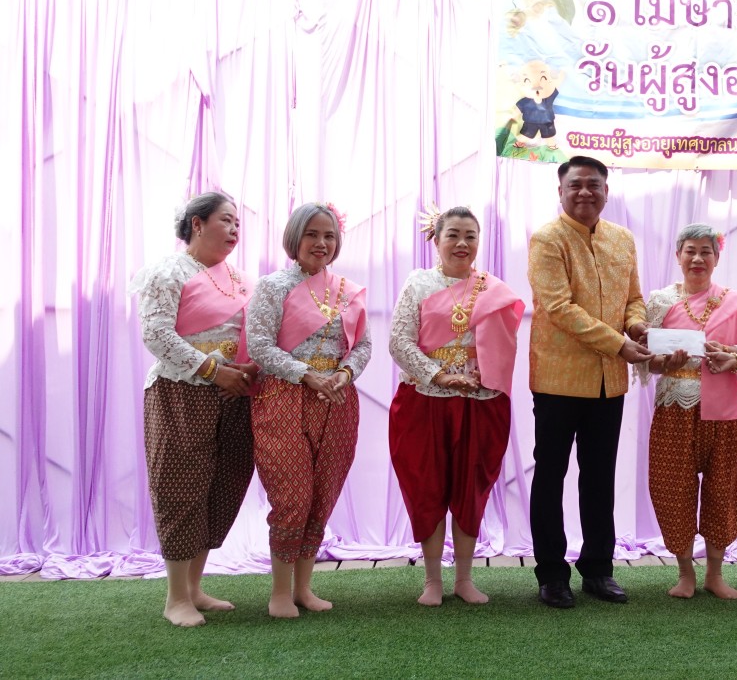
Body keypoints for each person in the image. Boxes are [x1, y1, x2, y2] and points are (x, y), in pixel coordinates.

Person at [527, 156, 653, 609]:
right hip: (558, 378)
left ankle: (598, 569)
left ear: (606, 190)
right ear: (560, 191)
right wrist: (619, 343)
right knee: (550, 476)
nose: (585, 192)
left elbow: (634, 298)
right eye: (576, 184)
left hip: (608, 383)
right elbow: (559, 308)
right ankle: (551, 574)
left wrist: (636, 325)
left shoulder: (622, 238)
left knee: (600, 477)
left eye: (593, 184)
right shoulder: (547, 239)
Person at [131, 191, 259, 627]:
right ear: (197, 224)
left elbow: (252, 335)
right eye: (226, 220)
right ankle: (175, 598)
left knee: (221, 487)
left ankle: (195, 588)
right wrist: (212, 370)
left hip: (233, 395)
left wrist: (245, 370)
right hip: (180, 392)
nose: (235, 229)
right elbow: (156, 334)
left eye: (238, 223)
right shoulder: (168, 271)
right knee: (180, 488)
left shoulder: (241, 280)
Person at [388, 206, 526, 606]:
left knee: (471, 487)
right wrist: (439, 375)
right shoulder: (418, 283)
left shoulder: (492, 289)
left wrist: (485, 374)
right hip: (425, 400)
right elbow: (399, 342)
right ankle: (432, 580)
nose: (462, 243)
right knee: (426, 485)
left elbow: (505, 345)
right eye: (453, 234)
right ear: (436, 240)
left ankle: (464, 578)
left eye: (470, 235)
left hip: (478, 402)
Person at [246, 202, 371, 618]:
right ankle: (279, 593)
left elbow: (363, 345)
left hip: (336, 399)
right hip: (283, 397)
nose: (321, 243)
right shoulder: (273, 287)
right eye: (312, 234)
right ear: (295, 237)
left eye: (329, 236)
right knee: (292, 496)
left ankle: (303, 588)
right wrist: (307, 375)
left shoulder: (347, 290)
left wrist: (345, 372)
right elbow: (259, 346)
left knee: (321, 495)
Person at [639, 224, 737, 600]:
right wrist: (664, 361)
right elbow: (645, 356)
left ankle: (715, 574)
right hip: (676, 406)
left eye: (706, 251)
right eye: (690, 250)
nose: (698, 258)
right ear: (678, 256)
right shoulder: (660, 301)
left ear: (717, 258)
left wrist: (732, 355)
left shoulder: (735, 302)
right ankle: (685, 573)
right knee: (674, 486)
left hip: (727, 409)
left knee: (724, 487)